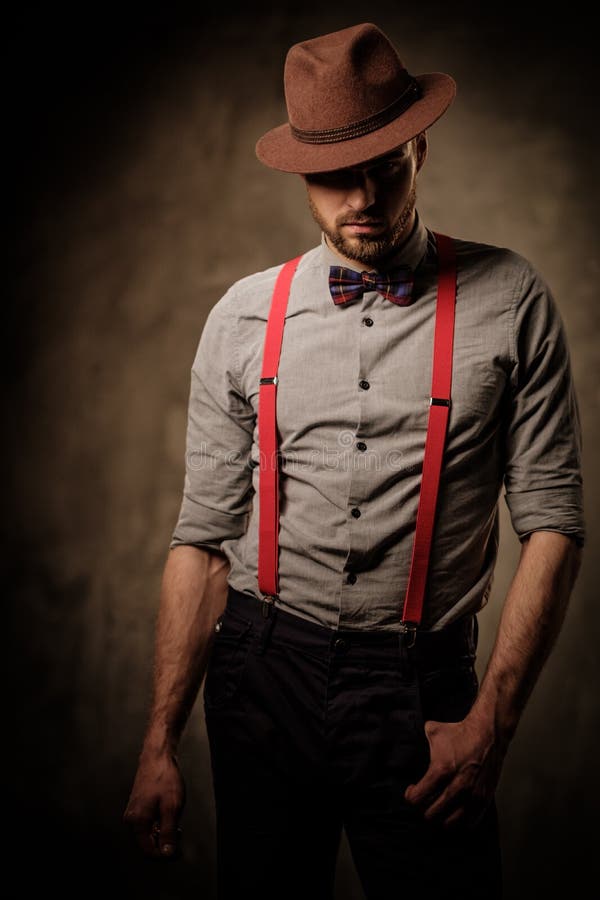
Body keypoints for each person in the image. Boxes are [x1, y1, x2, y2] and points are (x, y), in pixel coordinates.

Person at [123, 21, 585, 900]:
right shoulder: (242, 317)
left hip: (421, 692)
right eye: (335, 175)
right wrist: (157, 745)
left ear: (421, 148)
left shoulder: (512, 296)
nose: (363, 197)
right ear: (302, 174)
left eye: (385, 165)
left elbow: (554, 521)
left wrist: (492, 721)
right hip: (260, 676)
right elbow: (203, 540)